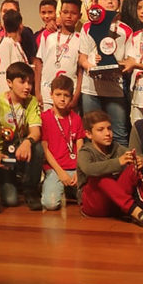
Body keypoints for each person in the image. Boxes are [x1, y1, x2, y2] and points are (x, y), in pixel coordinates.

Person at [78, 110, 143, 227]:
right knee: (102, 177)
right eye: (100, 130)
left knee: (135, 167)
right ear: (88, 134)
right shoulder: (85, 151)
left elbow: (140, 155)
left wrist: (140, 160)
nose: (107, 133)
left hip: (116, 203)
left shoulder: (116, 147)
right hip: (93, 205)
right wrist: (119, 162)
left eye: (109, 128)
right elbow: (88, 169)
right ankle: (136, 211)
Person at [78, 0, 132, 147]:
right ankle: (96, 169)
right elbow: (82, 57)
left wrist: (117, 65)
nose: (109, 1)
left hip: (115, 89)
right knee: (91, 133)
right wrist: (90, 66)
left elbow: (129, 60)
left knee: (119, 133)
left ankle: (122, 170)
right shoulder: (88, 26)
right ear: (96, 3)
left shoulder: (126, 30)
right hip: (91, 89)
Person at [0, 62, 44, 211]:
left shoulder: (31, 101)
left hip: (21, 147)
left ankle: (30, 188)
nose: (27, 87)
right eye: (22, 82)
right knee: (10, 200)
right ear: (9, 82)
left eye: (30, 82)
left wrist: (27, 142)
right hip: (3, 151)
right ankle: (8, 181)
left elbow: (36, 132)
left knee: (38, 148)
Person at [39, 75, 83, 211]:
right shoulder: (44, 118)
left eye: (66, 95)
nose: (62, 99)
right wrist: (60, 173)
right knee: (50, 204)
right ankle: (50, 185)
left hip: (75, 169)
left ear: (71, 97)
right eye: (58, 94)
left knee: (87, 201)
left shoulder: (76, 118)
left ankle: (69, 190)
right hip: (55, 169)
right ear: (51, 94)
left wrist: (79, 170)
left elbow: (80, 147)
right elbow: (45, 150)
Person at [35, 0, 81, 110]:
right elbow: (39, 64)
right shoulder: (48, 36)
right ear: (59, 14)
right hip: (47, 92)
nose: (69, 16)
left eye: (73, 13)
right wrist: (37, 91)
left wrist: (76, 95)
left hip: (69, 94)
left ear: (79, 16)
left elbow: (81, 71)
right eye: (65, 12)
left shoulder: (81, 39)